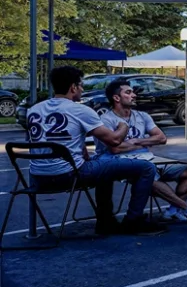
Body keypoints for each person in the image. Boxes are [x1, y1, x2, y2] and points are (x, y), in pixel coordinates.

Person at [24, 67, 168, 236]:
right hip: (68, 174)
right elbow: (114, 140)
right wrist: (123, 125)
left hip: (36, 178)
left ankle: (106, 221)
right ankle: (133, 221)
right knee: (146, 168)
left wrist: (84, 154)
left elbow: (47, 140)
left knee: (102, 166)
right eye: (81, 85)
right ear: (73, 87)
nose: (83, 89)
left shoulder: (34, 110)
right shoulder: (80, 110)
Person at [99, 78, 187, 223]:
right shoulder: (106, 119)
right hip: (125, 164)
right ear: (116, 98)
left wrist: (136, 141)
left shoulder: (142, 116)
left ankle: (172, 211)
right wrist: (146, 142)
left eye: (133, 92)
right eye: (128, 92)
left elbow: (161, 138)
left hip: (150, 159)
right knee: (148, 175)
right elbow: (115, 148)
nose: (134, 95)